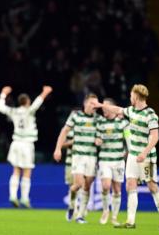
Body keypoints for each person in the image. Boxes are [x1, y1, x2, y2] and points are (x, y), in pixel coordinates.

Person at [94, 84, 159, 229]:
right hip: (133, 156)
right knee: (130, 185)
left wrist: (144, 152)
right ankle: (130, 221)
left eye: (131, 95)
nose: (130, 98)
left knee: (152, 186)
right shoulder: (131, 111)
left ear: (136, 96)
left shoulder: (150, 114)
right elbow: (117, 109)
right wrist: (100, 104)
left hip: (147, 157)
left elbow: (155, 137)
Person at [0, 85, 53, 208]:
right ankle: (25, 198)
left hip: (16, 143)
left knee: (16, 170)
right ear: (27, 102)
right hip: (27, 144)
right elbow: (37, 103)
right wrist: (44, 92)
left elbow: (0, 107)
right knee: (27, 171)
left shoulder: (14, 111)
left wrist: (3, 93)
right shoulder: (29, 110)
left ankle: (12, 195)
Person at [53, 94, 100, 223]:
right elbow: (64, 131)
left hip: (92, 157)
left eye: (96, 104)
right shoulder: (76, 116)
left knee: (87, 186)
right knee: (78, 184)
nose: (94, 106)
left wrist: (99, 139)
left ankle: (80, 215)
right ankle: (72, 205)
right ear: (85, 103)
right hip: (78, 156)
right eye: (91, 103)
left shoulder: (98, 119)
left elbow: (102, 135)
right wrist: (57, 149)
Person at [95, 98, 129, 226]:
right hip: (105, 159)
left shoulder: (123, 123)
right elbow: (97, 138)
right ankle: (105, 211)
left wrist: (128, 152)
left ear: (112, 108)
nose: (103, 108)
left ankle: (114, 216)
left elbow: (129, 139)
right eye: (102, 107)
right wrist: (98, 141)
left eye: (106, 106)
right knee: (105, 186)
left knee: (117, 189)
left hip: (118, 161)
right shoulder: (101, 122)